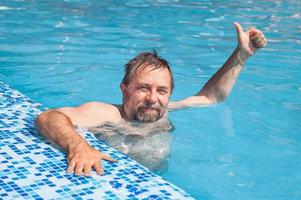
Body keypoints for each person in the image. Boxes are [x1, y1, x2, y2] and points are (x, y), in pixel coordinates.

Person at [35, 22, 267, 176]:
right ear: (124, 90)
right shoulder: (107, 114)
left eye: (162, 91)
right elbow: (49, 117)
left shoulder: (163, 111)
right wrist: (78, 146)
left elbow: (211, 97)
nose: (152, 98)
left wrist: (241, 55)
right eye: (144, 88)